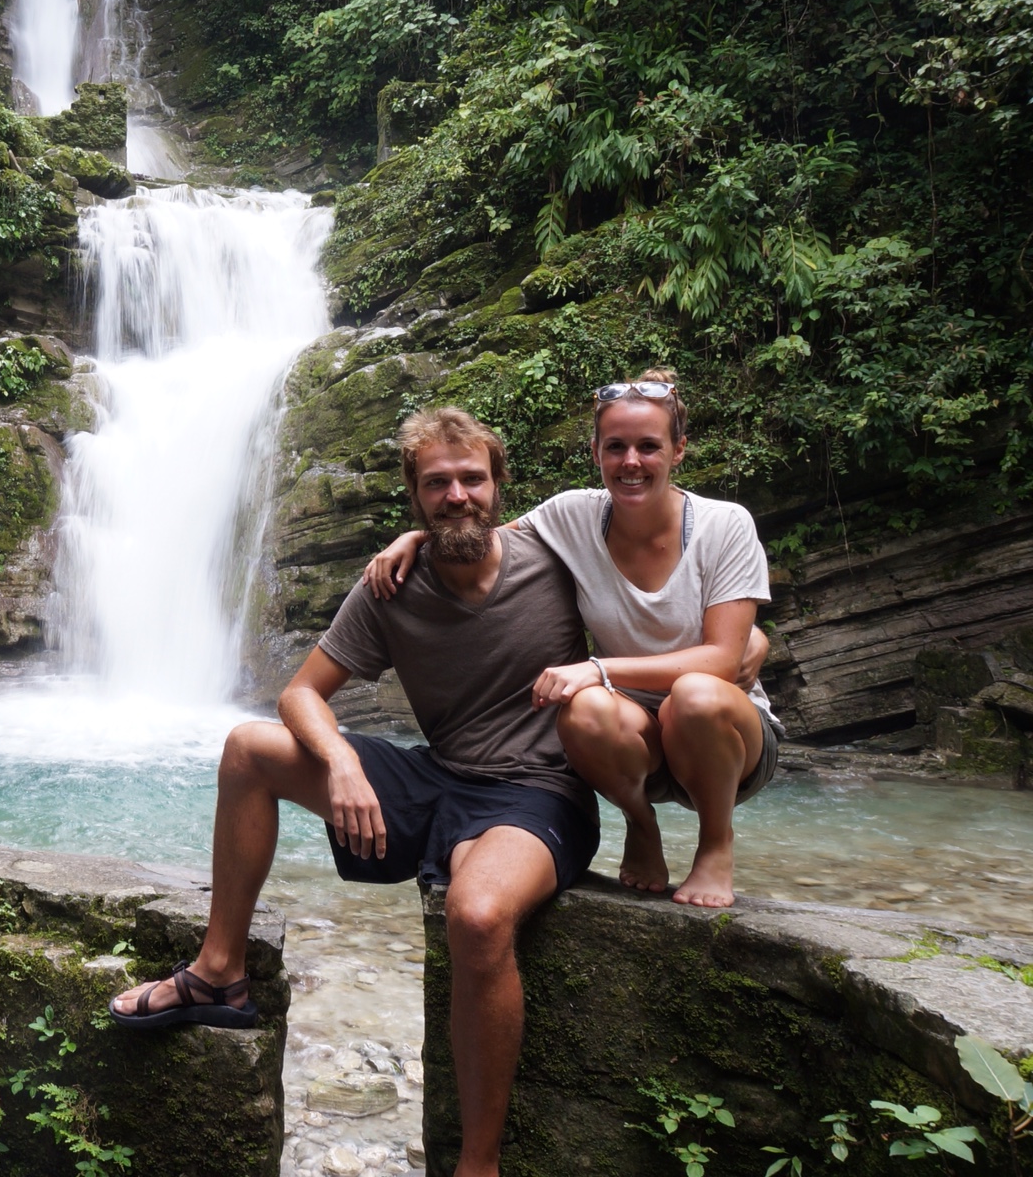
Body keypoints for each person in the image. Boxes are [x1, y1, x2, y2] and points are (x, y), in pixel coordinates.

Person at [109, 407, 599, 1177]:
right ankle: (219, 972)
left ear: (499, 484)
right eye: (437, 484)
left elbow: (651, 570)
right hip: (438, 776)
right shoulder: (391, 586)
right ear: (415, 495)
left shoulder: (557, 557)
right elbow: (301, 694)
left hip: (539, 792)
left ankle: (478, 1163)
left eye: (472, 479)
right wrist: (339, 760)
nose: (457, 496)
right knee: (249, 750)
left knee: (477, 915)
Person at [360, 368, 780, 908]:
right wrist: (416, 536)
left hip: (727, 741)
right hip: (637, 743)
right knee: (582, 711)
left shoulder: (726, 525)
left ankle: (716, 845)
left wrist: (599, 669)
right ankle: (640, 823)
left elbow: (722, 661)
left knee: (693, 695)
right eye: (616, 447)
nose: (631, 461)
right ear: (596, 451)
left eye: (649, 446)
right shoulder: (572, 515)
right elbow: (478, 536)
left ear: (678, 450)